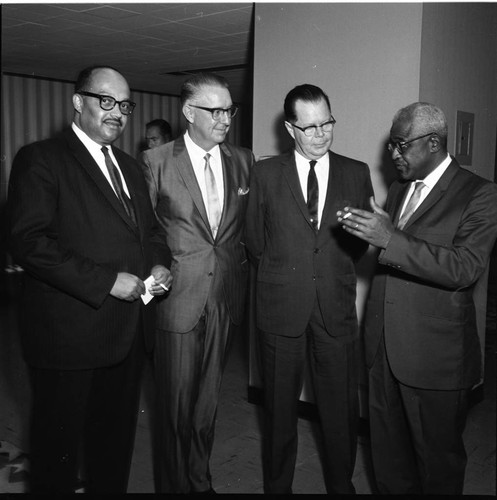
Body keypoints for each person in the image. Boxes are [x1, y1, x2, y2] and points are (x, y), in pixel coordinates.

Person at [7, 65, 173, 494]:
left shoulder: (132, 168)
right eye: (106, 101)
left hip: (126, 335)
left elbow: (151, 232)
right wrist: (104, 281)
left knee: (112, 452)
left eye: (124, 105)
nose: (117, 112)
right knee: (55, 460)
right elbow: (29, 242)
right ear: (78, 102)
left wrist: (158, 263)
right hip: (68, 337)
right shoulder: (41, 158)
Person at [337, 102, 497, 495]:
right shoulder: (397, 190)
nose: (392, 155)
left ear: (433, 143)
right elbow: (396, 256)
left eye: (399, 145)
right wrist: (366, 236)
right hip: (382, 351)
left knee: (437, 467)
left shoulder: (479, 194)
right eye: (391, 145)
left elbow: (464, 268)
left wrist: (390, 238)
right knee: (388, 462)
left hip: (435, 360)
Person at [245, 84, 374, 494]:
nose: (321, 134)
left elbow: (359, 244)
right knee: (280, 413)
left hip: (334, 309)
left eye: (327, 123)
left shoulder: (356, 172)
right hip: (281, 309)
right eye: (310, 126)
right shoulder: (265, 173)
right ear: (290, 128)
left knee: (340, 413)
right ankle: (278, 488)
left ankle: (342, 487)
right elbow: (254, 241)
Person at [140, 72, 253, 494]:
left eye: (229, 109)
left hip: (224, 298)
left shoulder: (244, 161)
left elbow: (246, 231)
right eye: (215, 110)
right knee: (173, 409)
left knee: (207, 405)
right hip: (177, 300)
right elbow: (146, 230)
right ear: (190, 112)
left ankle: (199, 482)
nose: (225, 118)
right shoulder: (157, 161)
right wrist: (154, 267)